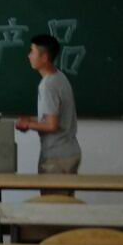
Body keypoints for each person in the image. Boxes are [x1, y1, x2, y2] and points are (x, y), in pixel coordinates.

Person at [15, 33, 81, 179]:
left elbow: (51, 125)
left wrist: (28, 125)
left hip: (56, 157)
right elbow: (53, 117)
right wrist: (31, 120)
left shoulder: (48, 85)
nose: (29, 56)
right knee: (64, 195)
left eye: (32, 52)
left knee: (53, 194)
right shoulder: (60, 77)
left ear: (44, 57)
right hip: (69, 152)